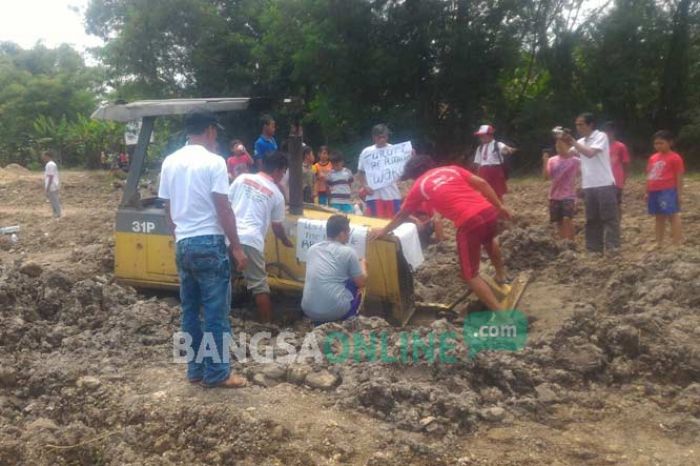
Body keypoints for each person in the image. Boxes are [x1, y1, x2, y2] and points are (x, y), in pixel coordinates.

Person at [158, 110, 248, 388]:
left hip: (183, 243)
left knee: (190, 311)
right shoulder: (214, 162)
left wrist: (180, 236)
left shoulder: (170, 162)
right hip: (209, 242)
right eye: (215, 132)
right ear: (209, 130)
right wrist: (236, 247)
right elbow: (223, 207)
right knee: (215, 312)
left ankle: (195, 370)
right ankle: (218, 373)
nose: (216, 136)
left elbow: (168, 207)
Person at [372, 154, 512, 311]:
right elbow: (482, 183)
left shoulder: (420, 185)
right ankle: (501, 276)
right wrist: (500, 206)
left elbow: (402, 214)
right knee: (489, 240)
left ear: (414, 174)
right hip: (487, 211)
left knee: (470, 275)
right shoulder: (451, 169)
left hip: (469, 222)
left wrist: (384, 231)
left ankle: (501, 314)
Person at [229, 151, 293, 323]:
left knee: (222, 277)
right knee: (259, 286)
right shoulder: (277, 195)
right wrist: (285, 240)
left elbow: (226, 205)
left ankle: (218, 318)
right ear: (279, 170)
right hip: (251, 240)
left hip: (228, 236)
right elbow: (277, 226)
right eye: (284, 171)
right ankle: (267, 324)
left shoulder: (241, 179)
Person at [561, 113, 620, 254]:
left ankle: (613, 248)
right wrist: (560, 140)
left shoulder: (600, 136)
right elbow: (565, 154)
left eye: (581, 124)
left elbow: (590, 153)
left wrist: (573, 142)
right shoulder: (580, 141)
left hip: (604, 183)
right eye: (577, 124)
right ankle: (594, 249)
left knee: (609, 217)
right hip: (589, 185)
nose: (578, 127)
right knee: (592, 218)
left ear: (590, 124)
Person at [302, 215, 368, 323]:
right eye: (348, 233)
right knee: (357, 285)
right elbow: (361, 282)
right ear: (342, 234)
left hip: (308, 310)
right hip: (333, 312)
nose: (348, 237)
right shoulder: (348, 252)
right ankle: (349, 318)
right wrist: (363, 265)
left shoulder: (312, 249)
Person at [646, 130, 684, 247]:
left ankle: (677, 243)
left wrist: (679, 193)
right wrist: (647, 191)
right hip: (654, 190)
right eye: (656, 143)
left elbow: (679, 176)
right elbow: (649, 174)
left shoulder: (675, 157)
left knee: (673, 215)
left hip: (667, 190)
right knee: (658, 216)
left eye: (661, 143)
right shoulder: (653, 158)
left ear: (670, 143)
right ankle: (659, 242)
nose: (658, 146)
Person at [357, 124, 402, 218]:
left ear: (387, 136)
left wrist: (411, 155)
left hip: (392, 195)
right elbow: (360, 172)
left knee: (392, 223)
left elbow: (406, 166)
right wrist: (365, 186)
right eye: (379, 137)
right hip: (374, 196)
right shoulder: (366, 152)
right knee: (376, 224)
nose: (382, 139)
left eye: (384, 137)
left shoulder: (395, 150)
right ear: (374, 137)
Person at [542, 138, 580, 241]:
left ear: (568, 147)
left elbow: (582, 172)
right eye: (557, 146)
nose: (559, 148)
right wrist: (545, 162)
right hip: (554, 195)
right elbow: (546, 177)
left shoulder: (575, 160)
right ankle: (563, 242)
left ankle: (571, 242)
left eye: (561, 146)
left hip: (569, 195)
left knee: (567, 218)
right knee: (558, 221)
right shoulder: (552, 160)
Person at [472, 125, 516, 201]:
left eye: (483, 135)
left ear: (490, 135)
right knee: (484, 191)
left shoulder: (497, 144)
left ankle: (499, 208)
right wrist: (478, 175)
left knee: (497, 192)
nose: (481, 138)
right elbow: (478, 163)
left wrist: (508, 149)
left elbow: (504, 148)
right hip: (484, 170)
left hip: (496, 169)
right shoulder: (480, 148)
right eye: (480, 136)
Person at [602, 122, 631, 206]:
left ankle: (617, 219)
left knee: (616, 203)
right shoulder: (599, 147)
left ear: (614, 133)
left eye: (610, 132)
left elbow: (626, 163)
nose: (608, 134)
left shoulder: (620, 146)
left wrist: (624, 178)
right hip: (603, 180)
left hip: (616, 180)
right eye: (606, 132)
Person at [42, 151, 61, 218]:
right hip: (54, 184)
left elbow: (50, 176)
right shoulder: (52, 164)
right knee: (53, 200)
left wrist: (47, 187)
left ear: (47, 156)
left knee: (54, 200)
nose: (43, 157)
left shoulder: (49, 165)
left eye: (44, 156)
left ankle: (58, 213)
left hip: (52, 185)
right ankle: (55, 213)